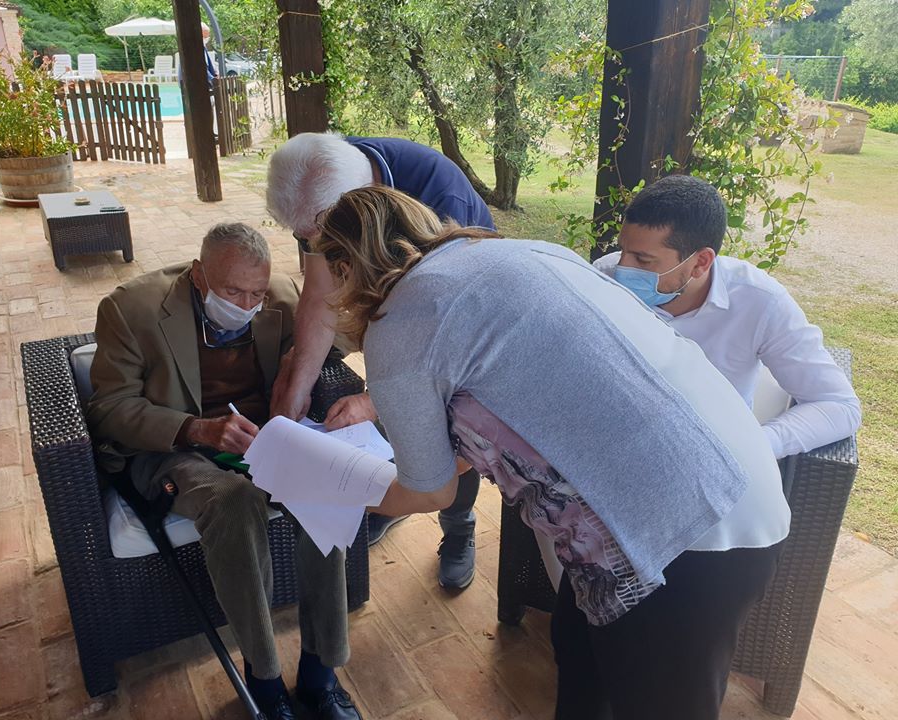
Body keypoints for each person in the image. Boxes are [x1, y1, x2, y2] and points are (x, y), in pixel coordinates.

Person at [312, 186, 792, 720]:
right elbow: (509, 425)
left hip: (686, 533)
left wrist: (334, 489)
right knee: (580, 662)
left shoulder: (399, 324)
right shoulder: (519, 251)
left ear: (344, 267)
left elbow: (431, 490)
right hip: (726, 472)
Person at [87, 223, 361, 720]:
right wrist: (195, 428)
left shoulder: (279, 298)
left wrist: (301, 361)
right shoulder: (131, 310)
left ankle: (320, 675)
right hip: (175, 449)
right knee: (235, 500)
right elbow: (109, 408)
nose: (247, 302)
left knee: (328, 486)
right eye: (233, 290)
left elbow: (329, 345)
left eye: (256, 291)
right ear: (198, 275)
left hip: (259, 438)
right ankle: (265, 679)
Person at [265, 131, 495, 589]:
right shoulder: (321, 174)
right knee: (302, 356)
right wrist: (294, 394)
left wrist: (375, 401)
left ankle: (457, 527)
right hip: (383, 288)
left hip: (460, 318)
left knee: (450, 420)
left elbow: (448, 347)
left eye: (320, 237)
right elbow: (318, 295)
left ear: (356, 206)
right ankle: (387, 485)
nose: (313, 245)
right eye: (305, 238)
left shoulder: (442, 197)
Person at [593, 174, 861, 459]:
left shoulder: (760, 302)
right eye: (623, 250)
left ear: (701, 262)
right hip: (614, 443)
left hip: (706, 456)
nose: (622, 268)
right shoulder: (604, 277)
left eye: (643, 260)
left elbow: (838, 406)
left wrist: (748, 449)